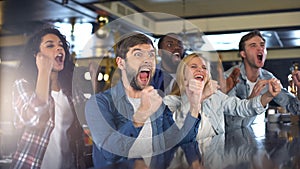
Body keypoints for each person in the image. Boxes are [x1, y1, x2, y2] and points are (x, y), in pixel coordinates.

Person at [84, 32, 201, 168]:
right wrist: (140, 117)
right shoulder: (99, 103)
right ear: (121, 63)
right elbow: (108, 153)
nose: (147, 60)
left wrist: (195, 104)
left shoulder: (158, 103)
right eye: (138, 54)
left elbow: (178, 139)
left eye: (151, 55)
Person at [10, 27, 86, 169]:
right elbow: (31, 118)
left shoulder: (70, 89)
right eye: (50, 45)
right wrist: (43, 72)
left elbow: (87, 119)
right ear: (36, 55)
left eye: (61, 45)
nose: (58, 49)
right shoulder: (23, 84)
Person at [163, 53, 281, 140]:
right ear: (182, 74)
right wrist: (201, 97)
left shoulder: (215, 97)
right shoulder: (169, 102)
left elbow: (242, 107)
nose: (200, 70)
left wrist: (268, 96)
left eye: (204, 68)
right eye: (194, 67)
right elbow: (177, 134)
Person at [224, 30, 300, 128]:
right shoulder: (229, 78)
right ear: (243, 54)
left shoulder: (268, 78)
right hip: (228, 140)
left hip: (253, 136)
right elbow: (232, 124)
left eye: (262, 45)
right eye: (253, 45)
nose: (260, 49)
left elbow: (295, 109)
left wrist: (299, 89)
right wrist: (252, 99)